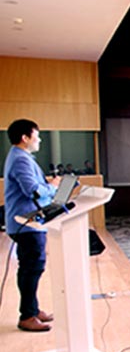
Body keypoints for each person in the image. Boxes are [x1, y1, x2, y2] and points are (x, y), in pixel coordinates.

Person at [4, 119, 61, 332]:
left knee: (32, 267)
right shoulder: (20, 160)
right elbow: (33, 191)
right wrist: (52, 187)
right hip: (26, 224)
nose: (40, 139)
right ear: (25, 138)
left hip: (29, 222)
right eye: (36, 135)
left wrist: (46, 185)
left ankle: (33, 310)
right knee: (31, 268)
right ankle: (27, 315)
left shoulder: (21, 157)